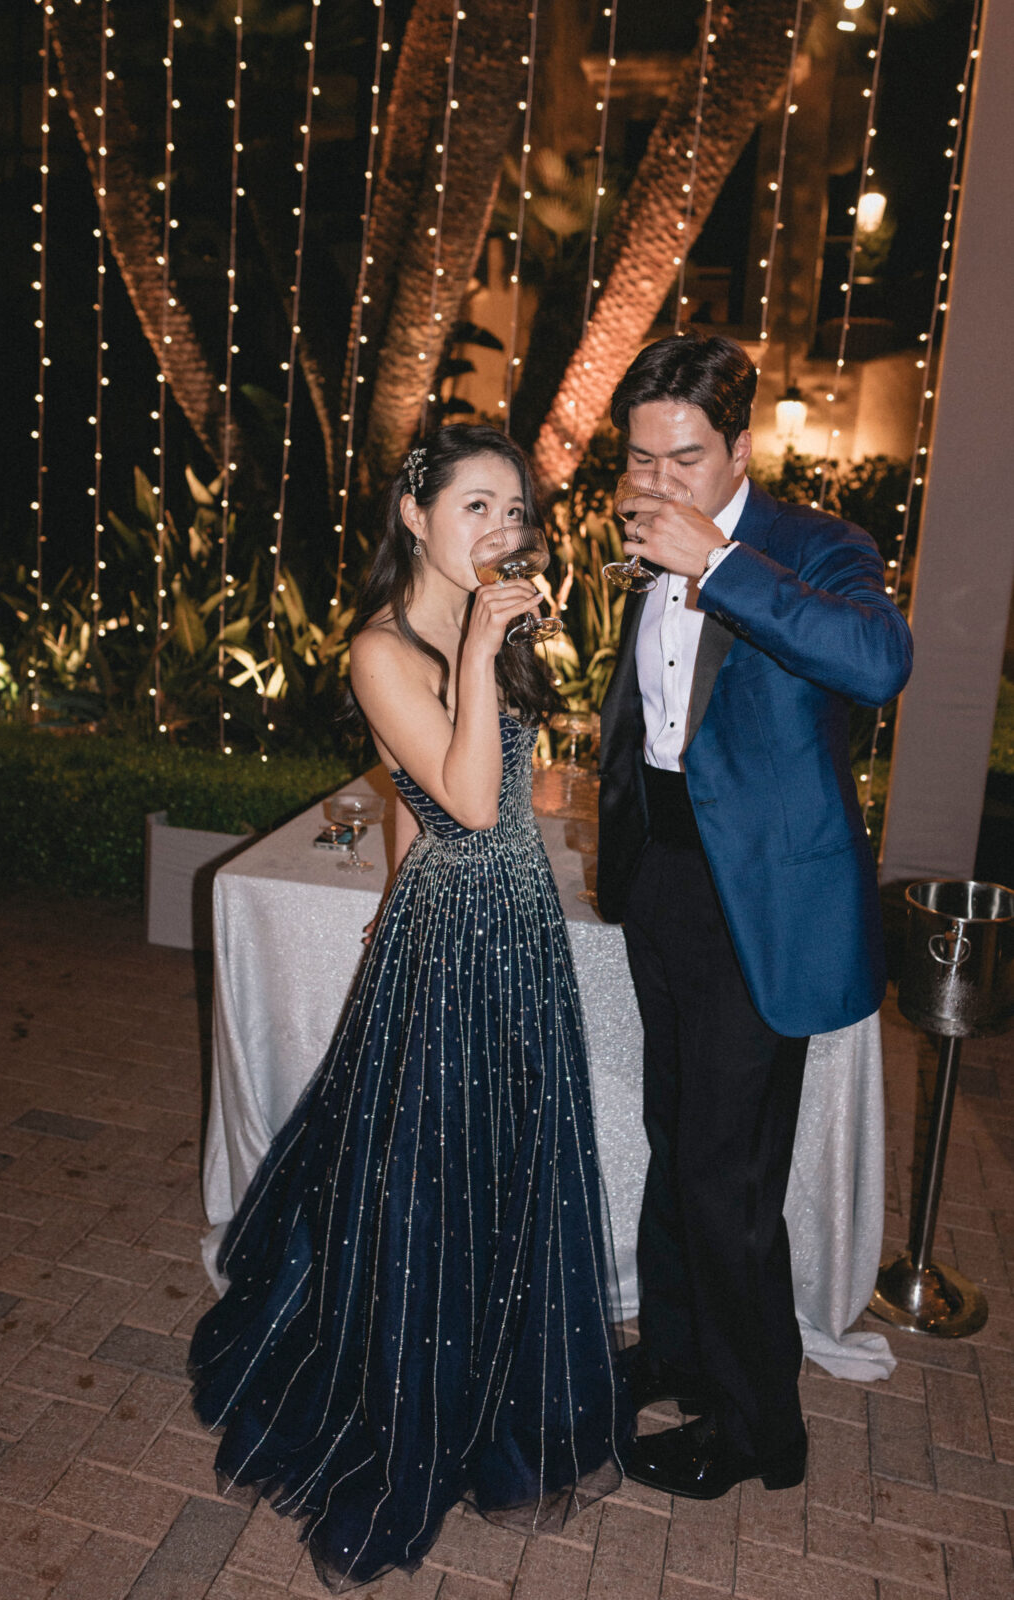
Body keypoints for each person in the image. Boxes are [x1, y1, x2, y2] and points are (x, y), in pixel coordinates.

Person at [189, 423, 630, 1592]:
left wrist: (391, 891)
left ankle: (497, 1380)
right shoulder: (380, 647)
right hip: (457, 940)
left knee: (511, 1162)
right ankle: (406, 1409)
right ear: (414, 514)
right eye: (475, 505)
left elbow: (418, 794)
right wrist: (482, 649)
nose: (499, 531)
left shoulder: (488, 624)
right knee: (427, 1177)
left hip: (513, 925)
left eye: (514, 511)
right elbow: (476, 801)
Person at [596, 333, 912, 1499]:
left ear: (741, 445)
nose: (654, 483)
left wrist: (717, 562)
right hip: (664, 880)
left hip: (762, 903)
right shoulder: (643, 525)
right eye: (639, 459)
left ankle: (756, 1434)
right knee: (678, 1141)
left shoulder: (817, 546)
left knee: (729, 1179)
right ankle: (675, 1350)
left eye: (681, 457)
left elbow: (876, 663)